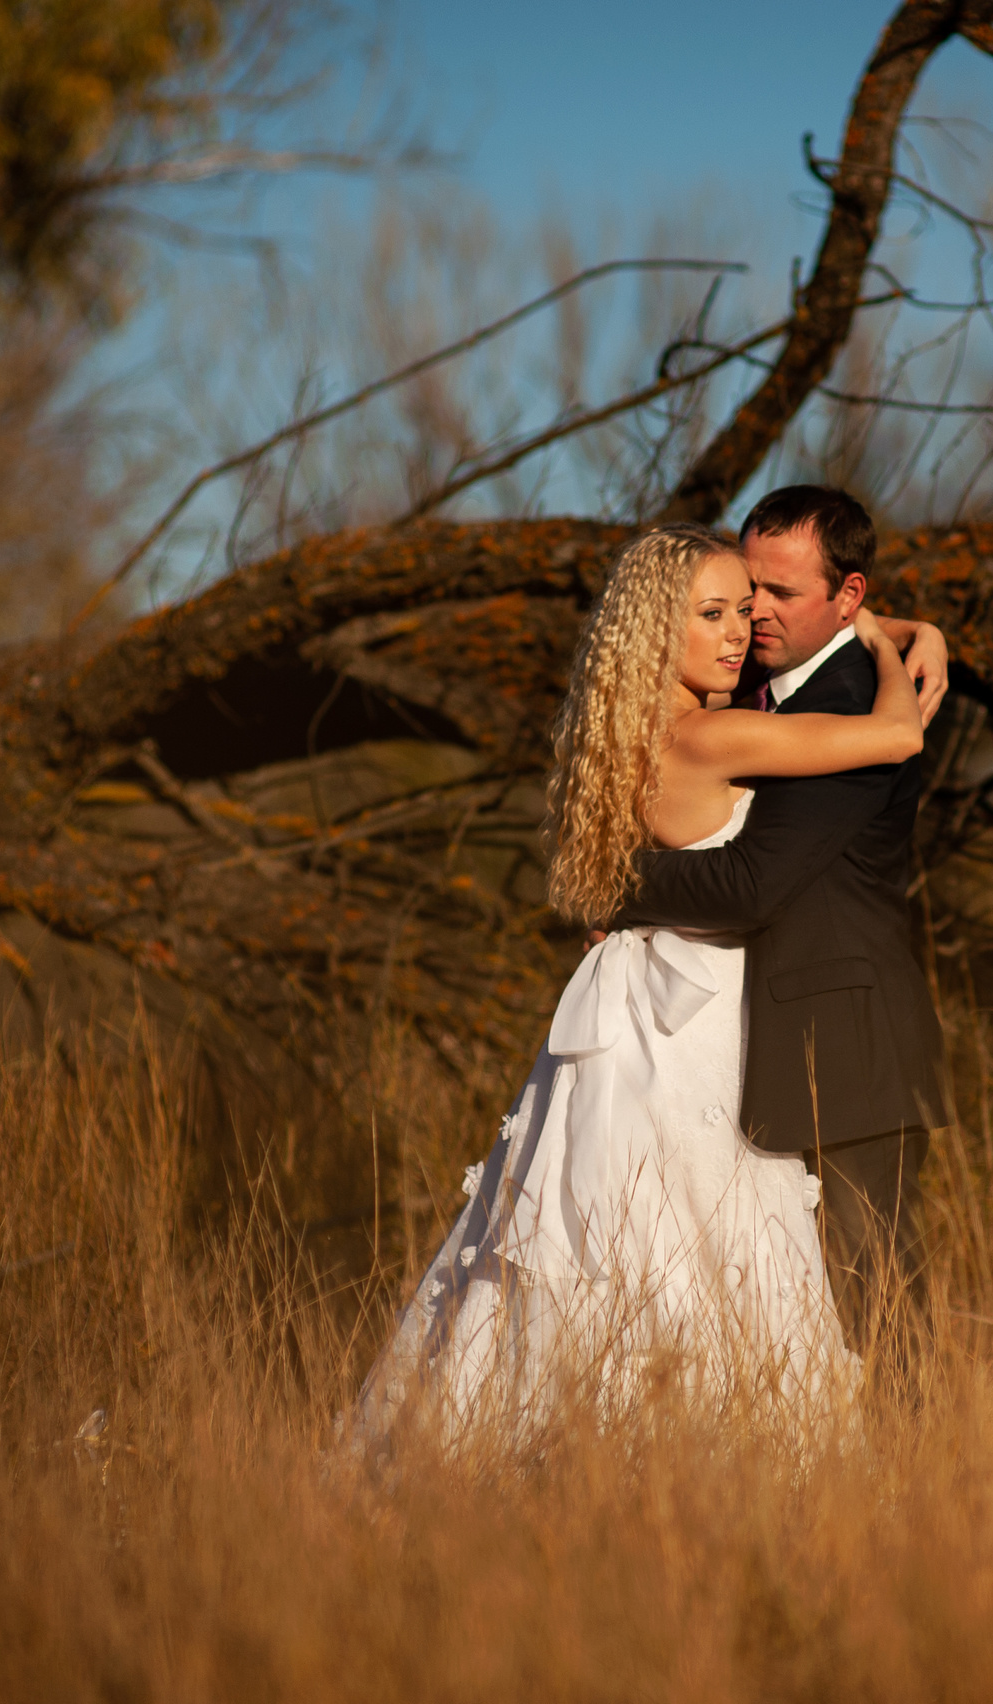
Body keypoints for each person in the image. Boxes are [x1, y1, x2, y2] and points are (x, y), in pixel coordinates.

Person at [348, 521, 942, 1447]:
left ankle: (539, 1437)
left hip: (630, 1011)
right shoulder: (714, 735)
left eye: (746, 609)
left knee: (606, 1233)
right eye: (713, 615)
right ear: (659, 631)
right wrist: (887, 639)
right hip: (701, 1015)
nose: (741, 631)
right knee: (707, 1236)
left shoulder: (616, 735)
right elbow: (898, 734)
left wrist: (903, 626)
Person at [610, 486, 949, 1344]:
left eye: (780, 593)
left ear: (848, 595)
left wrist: (611, 886)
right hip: (742, 1048)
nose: (753, 613)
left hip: (841, 1048)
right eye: (746, 588)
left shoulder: (856, 705)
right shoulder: (762, 676)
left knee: (874, 1313)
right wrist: (912, 629)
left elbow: (751, 885)